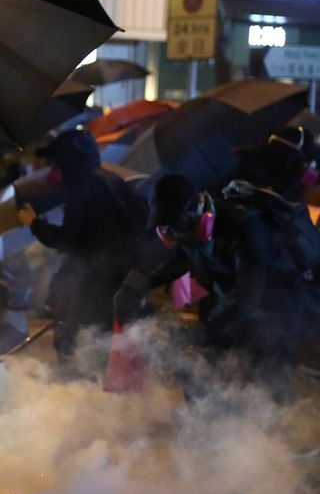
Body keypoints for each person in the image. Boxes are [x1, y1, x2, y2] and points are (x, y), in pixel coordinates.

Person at [114, 171, 308, 384]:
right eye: (165, 226)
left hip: (275, 304)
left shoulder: (246, 226)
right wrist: (139, 284)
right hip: (231, 301)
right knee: (202, 366)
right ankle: (208, 410)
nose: (171, 232)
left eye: (174, 223)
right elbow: (182, 258)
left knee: (268, 375)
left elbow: (247, 302)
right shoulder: (188, 227)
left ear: (195, 208)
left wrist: (200, 332)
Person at [17, 128, 147, 359]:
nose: (54, 168)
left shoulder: (82, 188)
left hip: (96, 284)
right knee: (109, 347)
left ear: (68, 161)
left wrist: (34, 223)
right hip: (123, 280)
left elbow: (69, 240)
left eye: (57, 162)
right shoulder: (111, 180)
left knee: (82, 347)